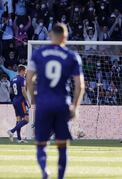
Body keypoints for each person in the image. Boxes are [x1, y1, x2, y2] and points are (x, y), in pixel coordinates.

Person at [26, 23, 85, 179]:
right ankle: (60, 177)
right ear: (65, 37)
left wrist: (34, 99)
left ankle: (45, 171)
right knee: (62, 146)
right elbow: (80, 86)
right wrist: (75, 107)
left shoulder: (38, 54)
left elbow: (29, 80)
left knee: (41, 144)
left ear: (51, 35)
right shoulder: (72, 56)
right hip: (61, 104)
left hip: (44, 103)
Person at [7, 65, 31, 143]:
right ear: (22, 71)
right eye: (25, 71)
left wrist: (14, 99)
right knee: (26, 119)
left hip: (15, 100)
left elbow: (10, 91)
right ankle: (12, 131)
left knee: (18, 119)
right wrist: (27, 100)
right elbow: (23, 90)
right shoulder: (22, 79)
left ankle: (19, 139)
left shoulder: (12, 79)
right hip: (21, 101)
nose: (25, 73)